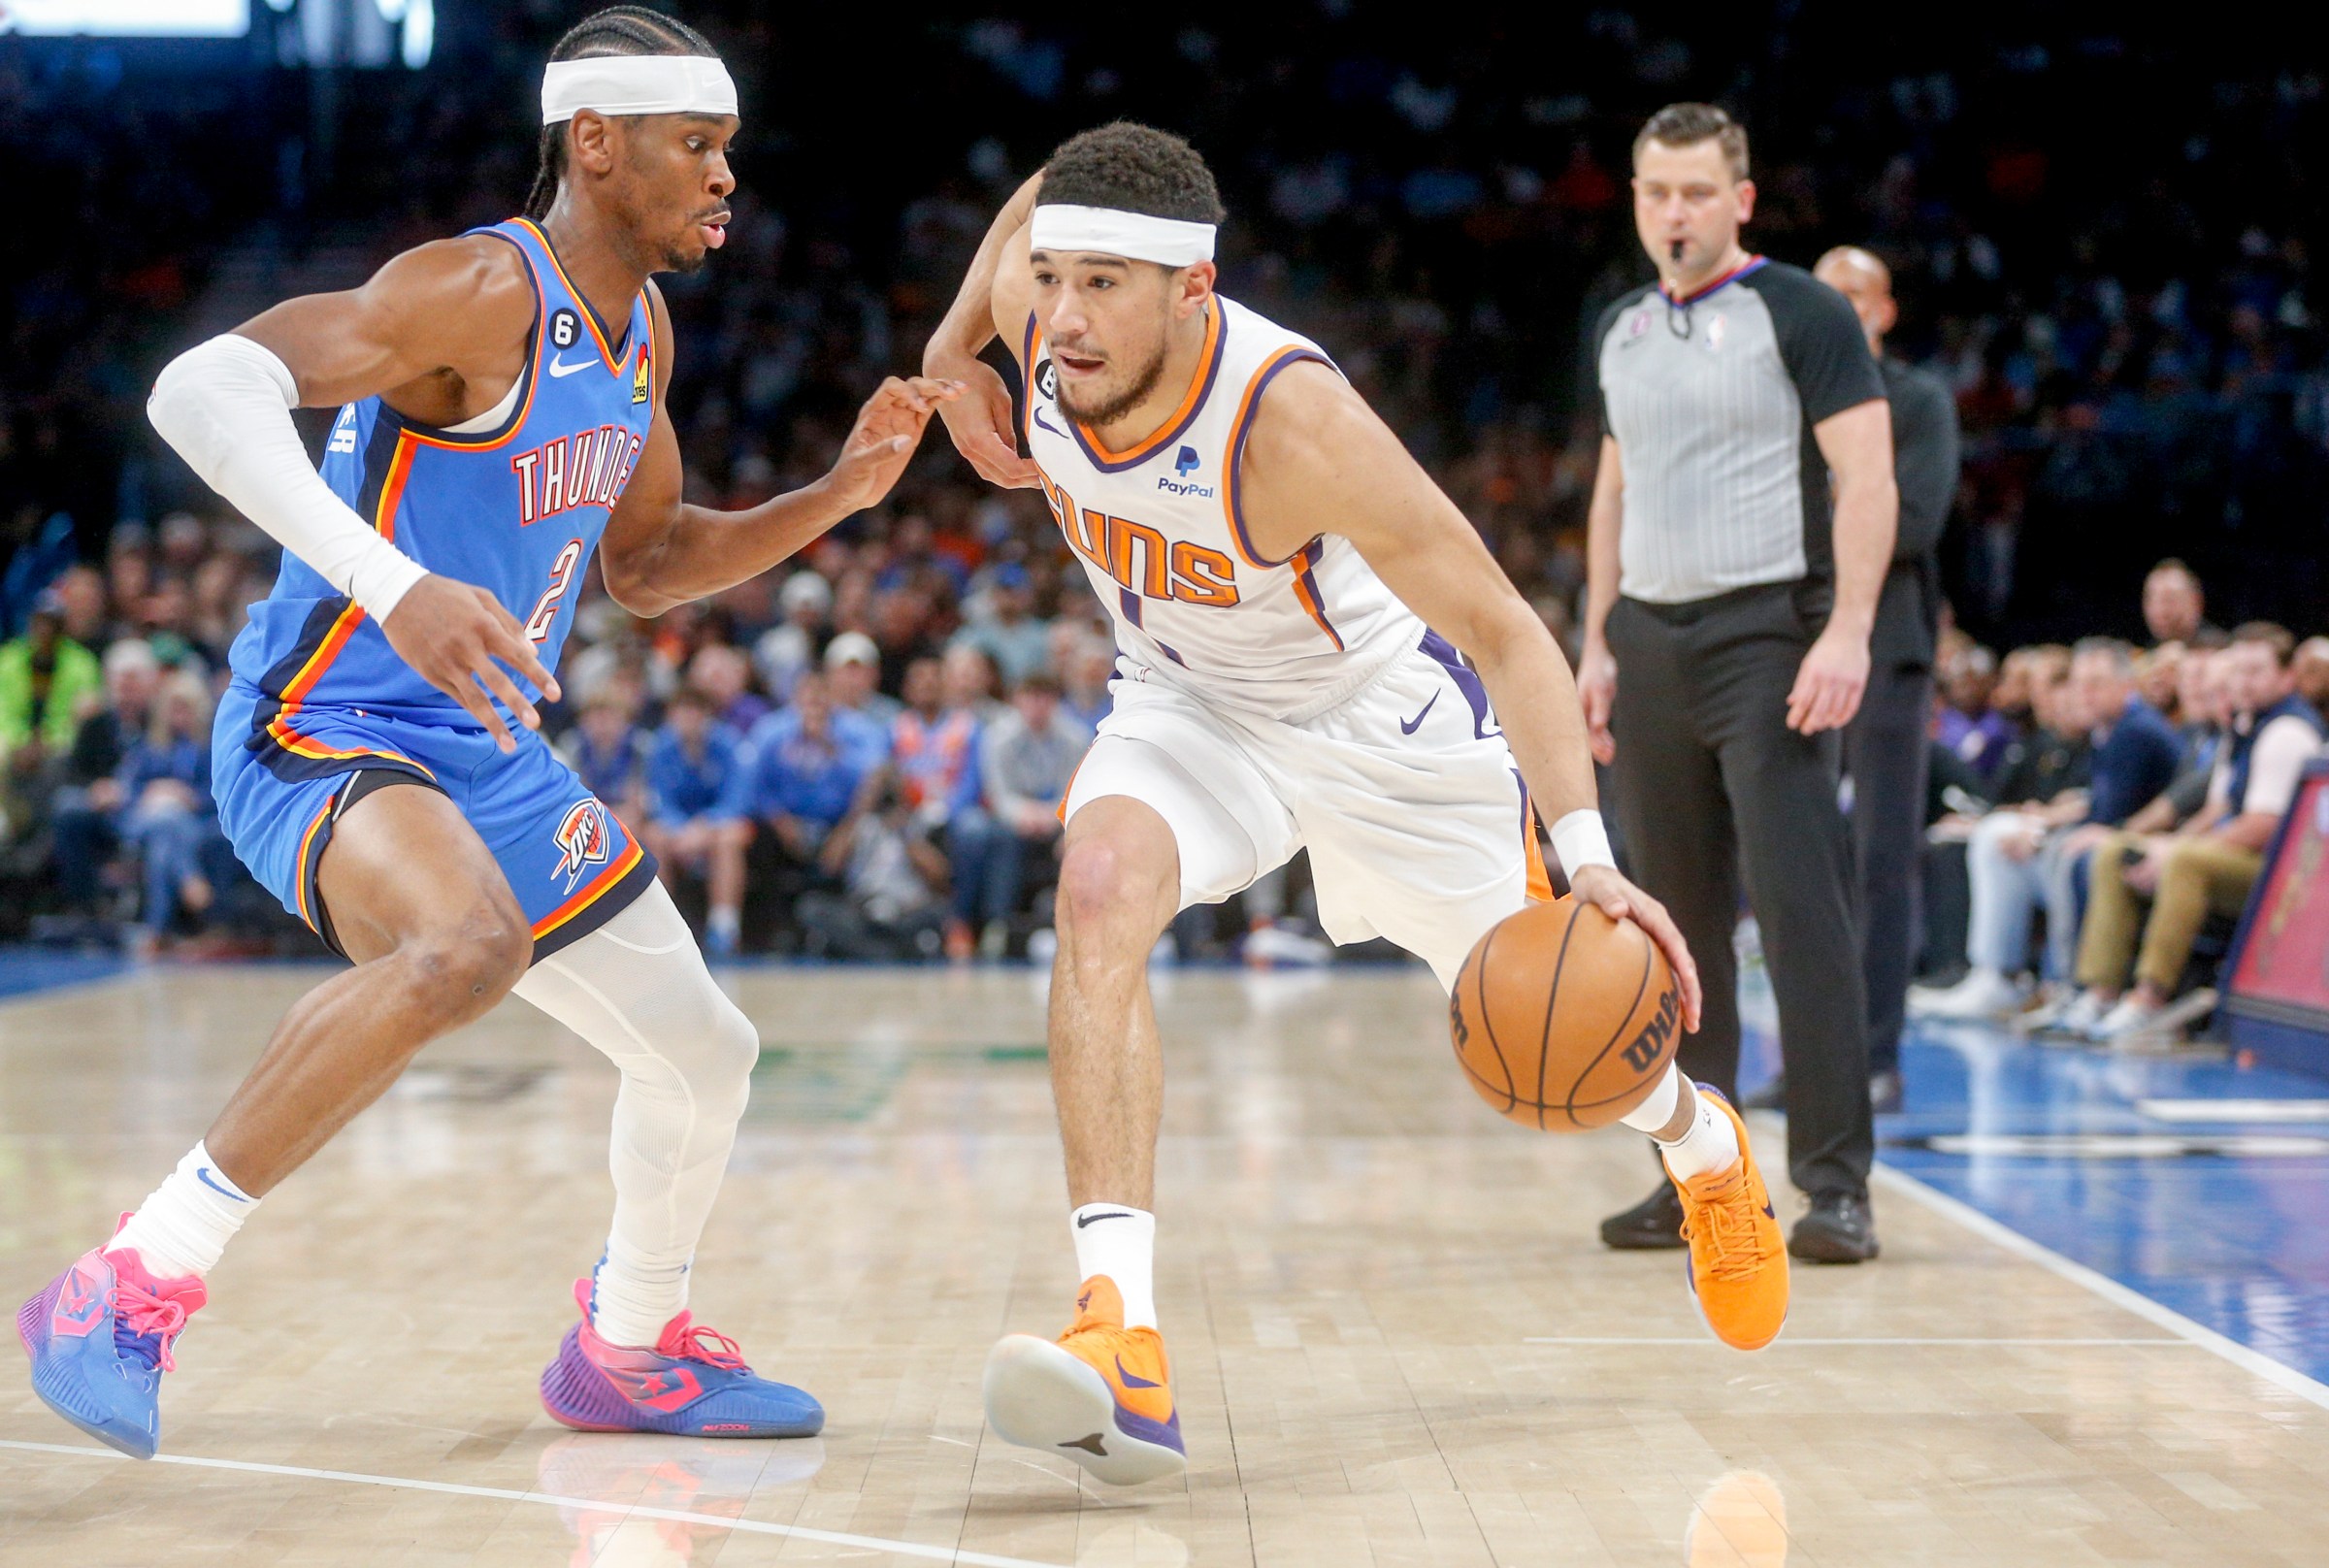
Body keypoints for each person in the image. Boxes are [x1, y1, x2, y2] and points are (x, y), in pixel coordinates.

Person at [23, 6, 958, 1461]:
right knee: (464, 948)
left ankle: (630, 1346)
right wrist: (394, 587)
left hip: (486, 753)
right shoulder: (475, 290)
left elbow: (646, 565)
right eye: (696, 146)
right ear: (596, 143)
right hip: (325, 724)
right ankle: (130, 1282)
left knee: (706, 1050)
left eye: (730, 149)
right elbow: (197, 386)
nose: (726, 177)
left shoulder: (636, 331)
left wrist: (835, 496)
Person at [926, 120, 1769, 1489]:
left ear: (1191, 293)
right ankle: (1122, 1337)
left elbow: (1504, 625)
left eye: (1099, 289)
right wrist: (949, 356)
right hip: (1189, 703)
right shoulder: (1045, 307)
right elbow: (1035, 197)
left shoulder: (1291, 420)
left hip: (1386, 733)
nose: (1061, 321)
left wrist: (1592, 858)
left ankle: (1700, 1139)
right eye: (1050, 283)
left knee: (1547, 1033)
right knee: (1095, 892)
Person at [1577, 105, 1897, 1263]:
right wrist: (1596, 639)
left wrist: (1848, 629)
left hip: (1770, 634)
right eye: (1656, 191)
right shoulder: (1616, 326)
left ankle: (1836, 1184)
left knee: (1803, 916)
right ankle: (1692, 1176)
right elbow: (1614, 490)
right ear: (1635, 197)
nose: (1675, 213)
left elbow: (1867, 475)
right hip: (1650, 644)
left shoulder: (1801, 311)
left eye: (1698, 192)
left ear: (1742, 200)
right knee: (1677, 934)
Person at [1811, 245, 1960, 1113]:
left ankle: (1875, 1059)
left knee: (1881, 858)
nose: (1842, 307)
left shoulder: (1918, 400)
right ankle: (1817, 1059)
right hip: (1796, 643)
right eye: (1827, 295)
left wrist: (1835, 509)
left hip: (1888, 647)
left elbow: (1915, 518)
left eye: (1856, 294)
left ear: (1886, 309)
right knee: (1807, 860)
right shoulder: (1789, 404)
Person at [2071, 625, 2326, 1042]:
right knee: (2120, 850)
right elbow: (2220, 807)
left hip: (2282, 874)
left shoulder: (2288, 732)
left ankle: (2149, 999)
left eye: (2256, 672)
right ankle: (2100, 992)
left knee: (2188, 862)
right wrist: (2165, 843)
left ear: (2287, 677)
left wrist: (2179, 850)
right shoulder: (2245, 727)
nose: (2244, 682)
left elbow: (2263, 826)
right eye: (2238, 672)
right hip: (2240, 857)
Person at [1919, 639, 2182, 1023]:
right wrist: (2043, 822)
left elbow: (2116, 816)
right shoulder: (2107, 731)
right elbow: (2093, 803)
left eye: (2097, 683)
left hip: (2139, 851)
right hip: (2112, 839)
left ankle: (2063, 984)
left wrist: (2049, 833)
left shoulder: (2137, 731)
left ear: (2127, 686)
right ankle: (1994, 975)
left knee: (2068, 852)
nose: (2085, 694)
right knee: (1999, 834)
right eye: (2079, 684)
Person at [946, 671, 1092, 957]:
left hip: (1058, 819)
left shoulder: (1076, 738)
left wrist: (1051, 817)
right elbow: (999, 795)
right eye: (1030, 698)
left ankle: (1079, 927)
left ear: (1055, 702)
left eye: (1044, 698)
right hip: (1014, 819)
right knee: (990, 836)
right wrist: (1024, 815)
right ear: (1017, 701)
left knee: (1084, 839)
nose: (1037, 706)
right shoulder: (997, 738)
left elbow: (1074, 790)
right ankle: (992, 923)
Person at [640, 685, 753, 956]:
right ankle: (662, 927)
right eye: (682, 711)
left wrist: (704, 827)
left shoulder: (729, 745)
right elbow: (658, 800)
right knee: (653, 836)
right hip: (677, 831)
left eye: (695, 711)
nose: (688, 719)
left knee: (730, 837)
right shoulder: (660, 748)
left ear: (707, 715)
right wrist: (682, 830)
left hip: (715, 828)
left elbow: (737, 800)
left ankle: (724, 926)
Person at [2142, 559, 2214, 647]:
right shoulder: (2144, 655)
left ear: (2195, 601)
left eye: (2169, 600)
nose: (2160, 610)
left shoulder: (2222, 651)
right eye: (2152, 599)